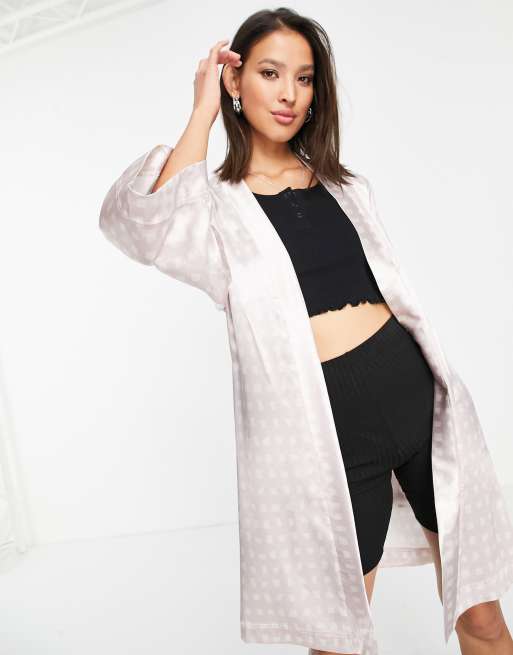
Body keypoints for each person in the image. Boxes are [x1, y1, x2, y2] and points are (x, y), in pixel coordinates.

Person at [99, 8, 513, 655]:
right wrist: (202, 111)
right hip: (331, 438)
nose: (289, 93)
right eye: (269, 73)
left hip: (416, 402)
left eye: (303, 77)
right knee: (335, 639)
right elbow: (141, 224)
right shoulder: (215, 209)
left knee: (482, 617)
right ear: (236, 82)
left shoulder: (347, 187)